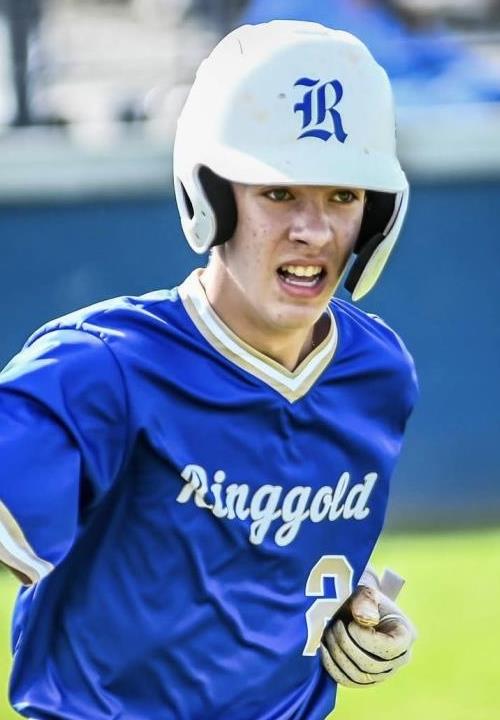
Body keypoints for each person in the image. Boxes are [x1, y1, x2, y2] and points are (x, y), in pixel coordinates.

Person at [0, 20, 418, 720]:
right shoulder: (102, 365)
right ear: (211, 198)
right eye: (278, 193)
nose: (314, 231)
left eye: (343, 196)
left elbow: (243, 552)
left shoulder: (378, 371)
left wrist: (350, 606)